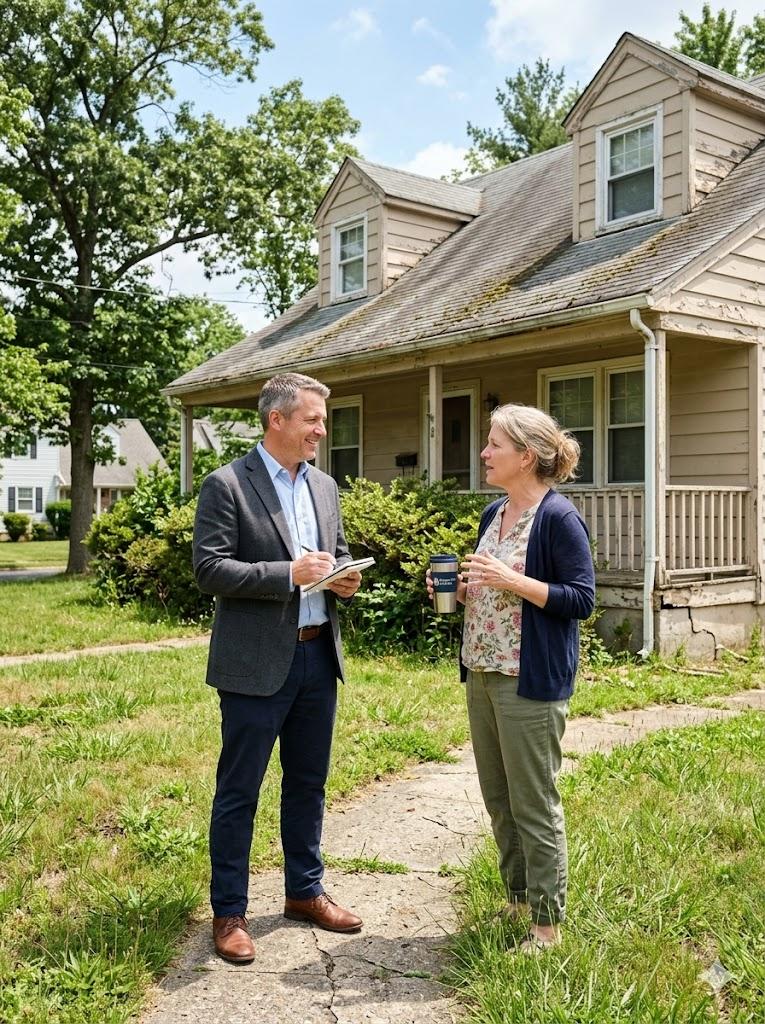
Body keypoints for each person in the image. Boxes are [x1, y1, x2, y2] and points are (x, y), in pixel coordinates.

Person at [193, 372, 364, 964]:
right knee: (239, 789)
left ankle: (304, 891)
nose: (322, 429)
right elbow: (210, 569)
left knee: (309, 782)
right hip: (255, 662)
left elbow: (333, 554)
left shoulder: (325, 485)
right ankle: (229, 913)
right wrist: (284, 574)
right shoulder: (226, 485)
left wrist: (343, 576)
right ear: (278, 420)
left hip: (319, 653)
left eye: (322, 420)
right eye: (313, 419)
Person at [427, 404, 595, 953]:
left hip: (529, 681)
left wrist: (511, 579)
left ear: (526, 456)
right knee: (498, 797)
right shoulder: (493, 513)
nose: (483, 453)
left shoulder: (557, 518)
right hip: (482, 671)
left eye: (494, 444)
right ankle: (519, 898)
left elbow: (581, 600)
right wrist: (460, 590)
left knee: (533, 802)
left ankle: (547, 925)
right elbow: (492, 588)